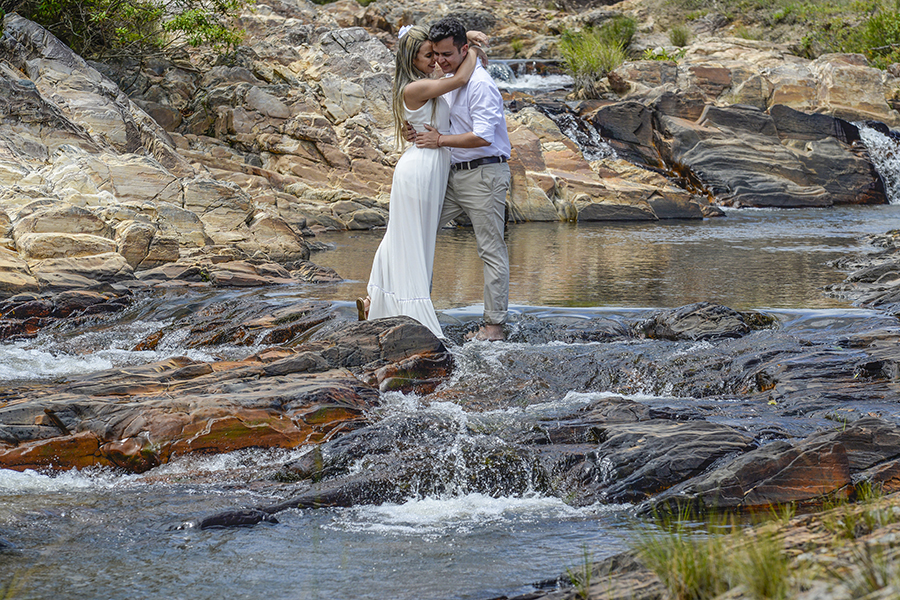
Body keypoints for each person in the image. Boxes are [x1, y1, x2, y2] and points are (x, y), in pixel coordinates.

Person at [358, 24, 483, 340]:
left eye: (436, 54)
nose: (435, 60)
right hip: (420, 170)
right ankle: (413, 315)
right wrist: (474, 50)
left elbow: (451, 82)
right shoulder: (416, 88)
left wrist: (464, 42)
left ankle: (376, 302)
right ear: (412, 59)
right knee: (413, 242)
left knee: (402, 236)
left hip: (429, 165)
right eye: (429, 55)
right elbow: (461, 79)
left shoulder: (426, 83)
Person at [415, 17, 513, 342]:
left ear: (464, 50)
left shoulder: (480, 85)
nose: (441, 61)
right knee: (418, 235)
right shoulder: (451, 78)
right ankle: (412, 308)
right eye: (437, 55)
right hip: (451, 176)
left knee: (490, 249)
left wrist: (440, 141)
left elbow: (484, 136)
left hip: (485, 173)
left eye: (448, 55)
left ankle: (494, 327)